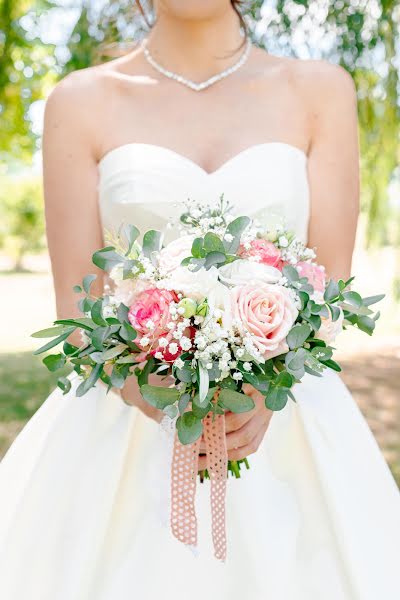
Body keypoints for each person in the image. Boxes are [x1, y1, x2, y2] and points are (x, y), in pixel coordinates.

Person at [1, 2, 399, 599]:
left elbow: (332, 286)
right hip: (124, 415)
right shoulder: (80, 101)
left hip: (287, 424)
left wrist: (263, 392)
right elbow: (79, 309)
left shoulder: (319, 90)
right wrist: (165, 402)